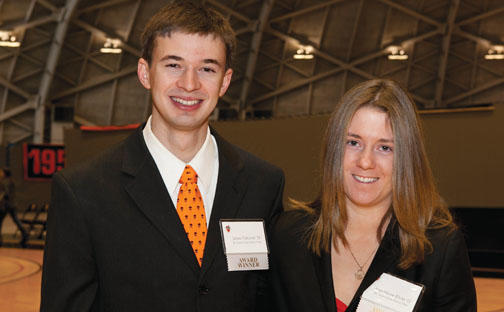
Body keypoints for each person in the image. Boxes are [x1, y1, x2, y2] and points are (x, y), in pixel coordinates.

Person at [40, 1, 284, 311]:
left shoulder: (263, 185)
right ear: (145, 73)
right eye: (173, 65)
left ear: (225, 81)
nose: (189, 84)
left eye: (207, 68)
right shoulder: (83, 192)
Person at [269, 79, 476, 312]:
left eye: (385, 148)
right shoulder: (286, 234)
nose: (365, 162)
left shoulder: (439, 248)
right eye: (353, 142)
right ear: (335, 148)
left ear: (406, 158)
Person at [0, 168, 28, 247]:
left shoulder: (5, 182)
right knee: (16, 220)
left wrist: (2, 201)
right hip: (12, 204)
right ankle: (25, 233)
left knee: (2, 221)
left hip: (6, 205)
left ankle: (25, 233)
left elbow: (5, 194)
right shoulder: (11, 181)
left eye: (1, 172)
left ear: (4, 173)